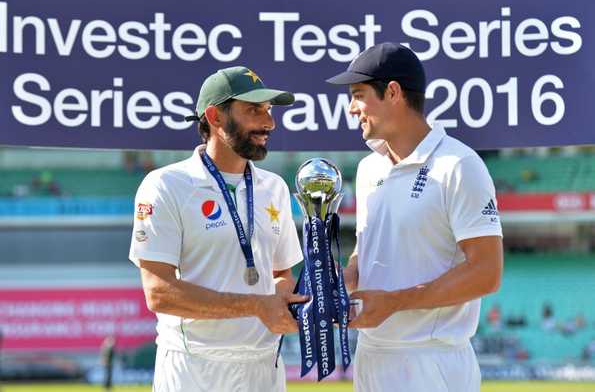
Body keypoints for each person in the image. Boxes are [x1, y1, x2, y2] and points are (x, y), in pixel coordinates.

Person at [326, 42, 504, 391]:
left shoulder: (459, 165)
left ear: (392, 92)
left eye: (358, 95)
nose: (351, 109)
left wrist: (394, 302)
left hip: (432, 362)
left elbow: (487, 273)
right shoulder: (367, 169)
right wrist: (346, 276)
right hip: (372, 355)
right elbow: (371, 251)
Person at [129, 66, 307, 391]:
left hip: (263, 365)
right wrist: (256, 306)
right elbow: (159, 292)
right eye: (254, 110)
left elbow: (281, 274)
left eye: (268, 111)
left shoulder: (275, 187)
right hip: (192, 367)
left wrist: (288, 302)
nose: (268, 122)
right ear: (215, 116)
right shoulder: (166, 185)